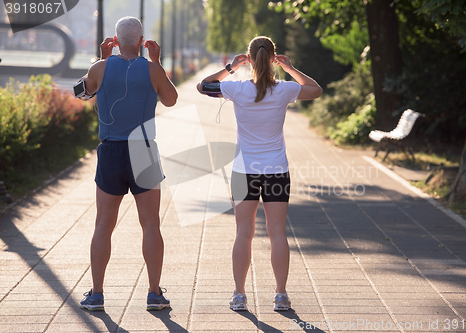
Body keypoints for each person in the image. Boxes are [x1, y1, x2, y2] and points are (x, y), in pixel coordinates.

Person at [196, 36, 322, 311]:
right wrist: (289, 68)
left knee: (244, 233)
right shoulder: (285, 90)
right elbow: (315, 90)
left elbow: (202, 86)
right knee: (277, 232)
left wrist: (231, 67)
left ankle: (240, 296)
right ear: (274, 57)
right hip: (276, 171)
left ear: (249, 58)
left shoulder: (238, 88)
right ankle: (280, 296)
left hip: (244, 172)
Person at [77, 17, 178, 311]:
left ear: (117, 41)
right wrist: (157, 63)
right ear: (143, 40)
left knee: (103, 225)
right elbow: (171, 100)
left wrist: (102, 60)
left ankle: (96, 294)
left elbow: (81, 94)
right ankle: (154, 294)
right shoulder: (152, 69)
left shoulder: (100, 68)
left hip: (111, 151)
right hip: (144, 150)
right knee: (150, 224)